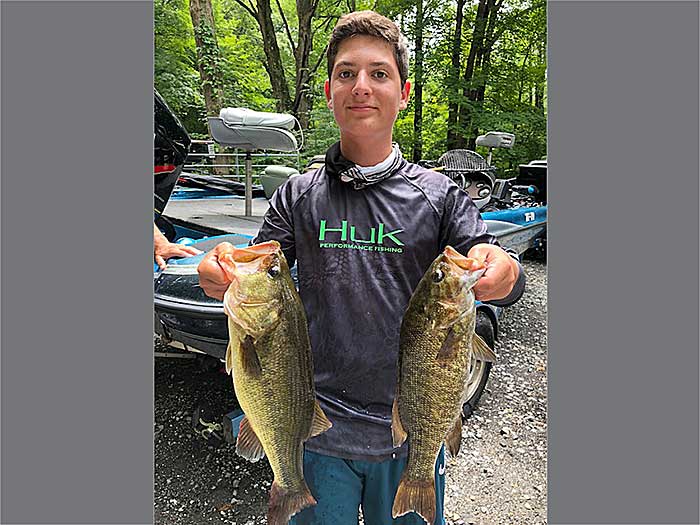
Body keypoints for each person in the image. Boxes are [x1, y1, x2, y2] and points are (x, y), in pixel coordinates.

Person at [197, 11, 525, 525]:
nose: (361, 87)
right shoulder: (299, 194)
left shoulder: (439, 197)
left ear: (405, 91)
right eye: (347, 74)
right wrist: (217, 271)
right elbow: (256, 273)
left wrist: (504, 270)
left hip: (412, 422)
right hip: (315, 426)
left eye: (379, 73)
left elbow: (497, 272)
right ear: (328, 90)